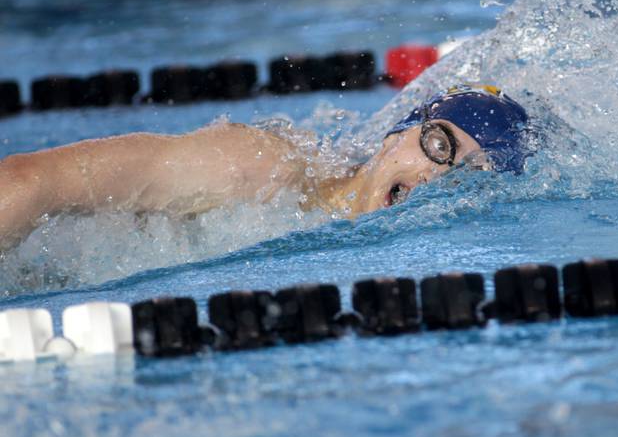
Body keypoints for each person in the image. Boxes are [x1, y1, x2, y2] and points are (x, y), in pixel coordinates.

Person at [0, 85, 530, 251]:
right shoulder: (258, 168)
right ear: (398, 133)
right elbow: (30, 182)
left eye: (468, 176)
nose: (440, 178)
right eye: (440, 147)